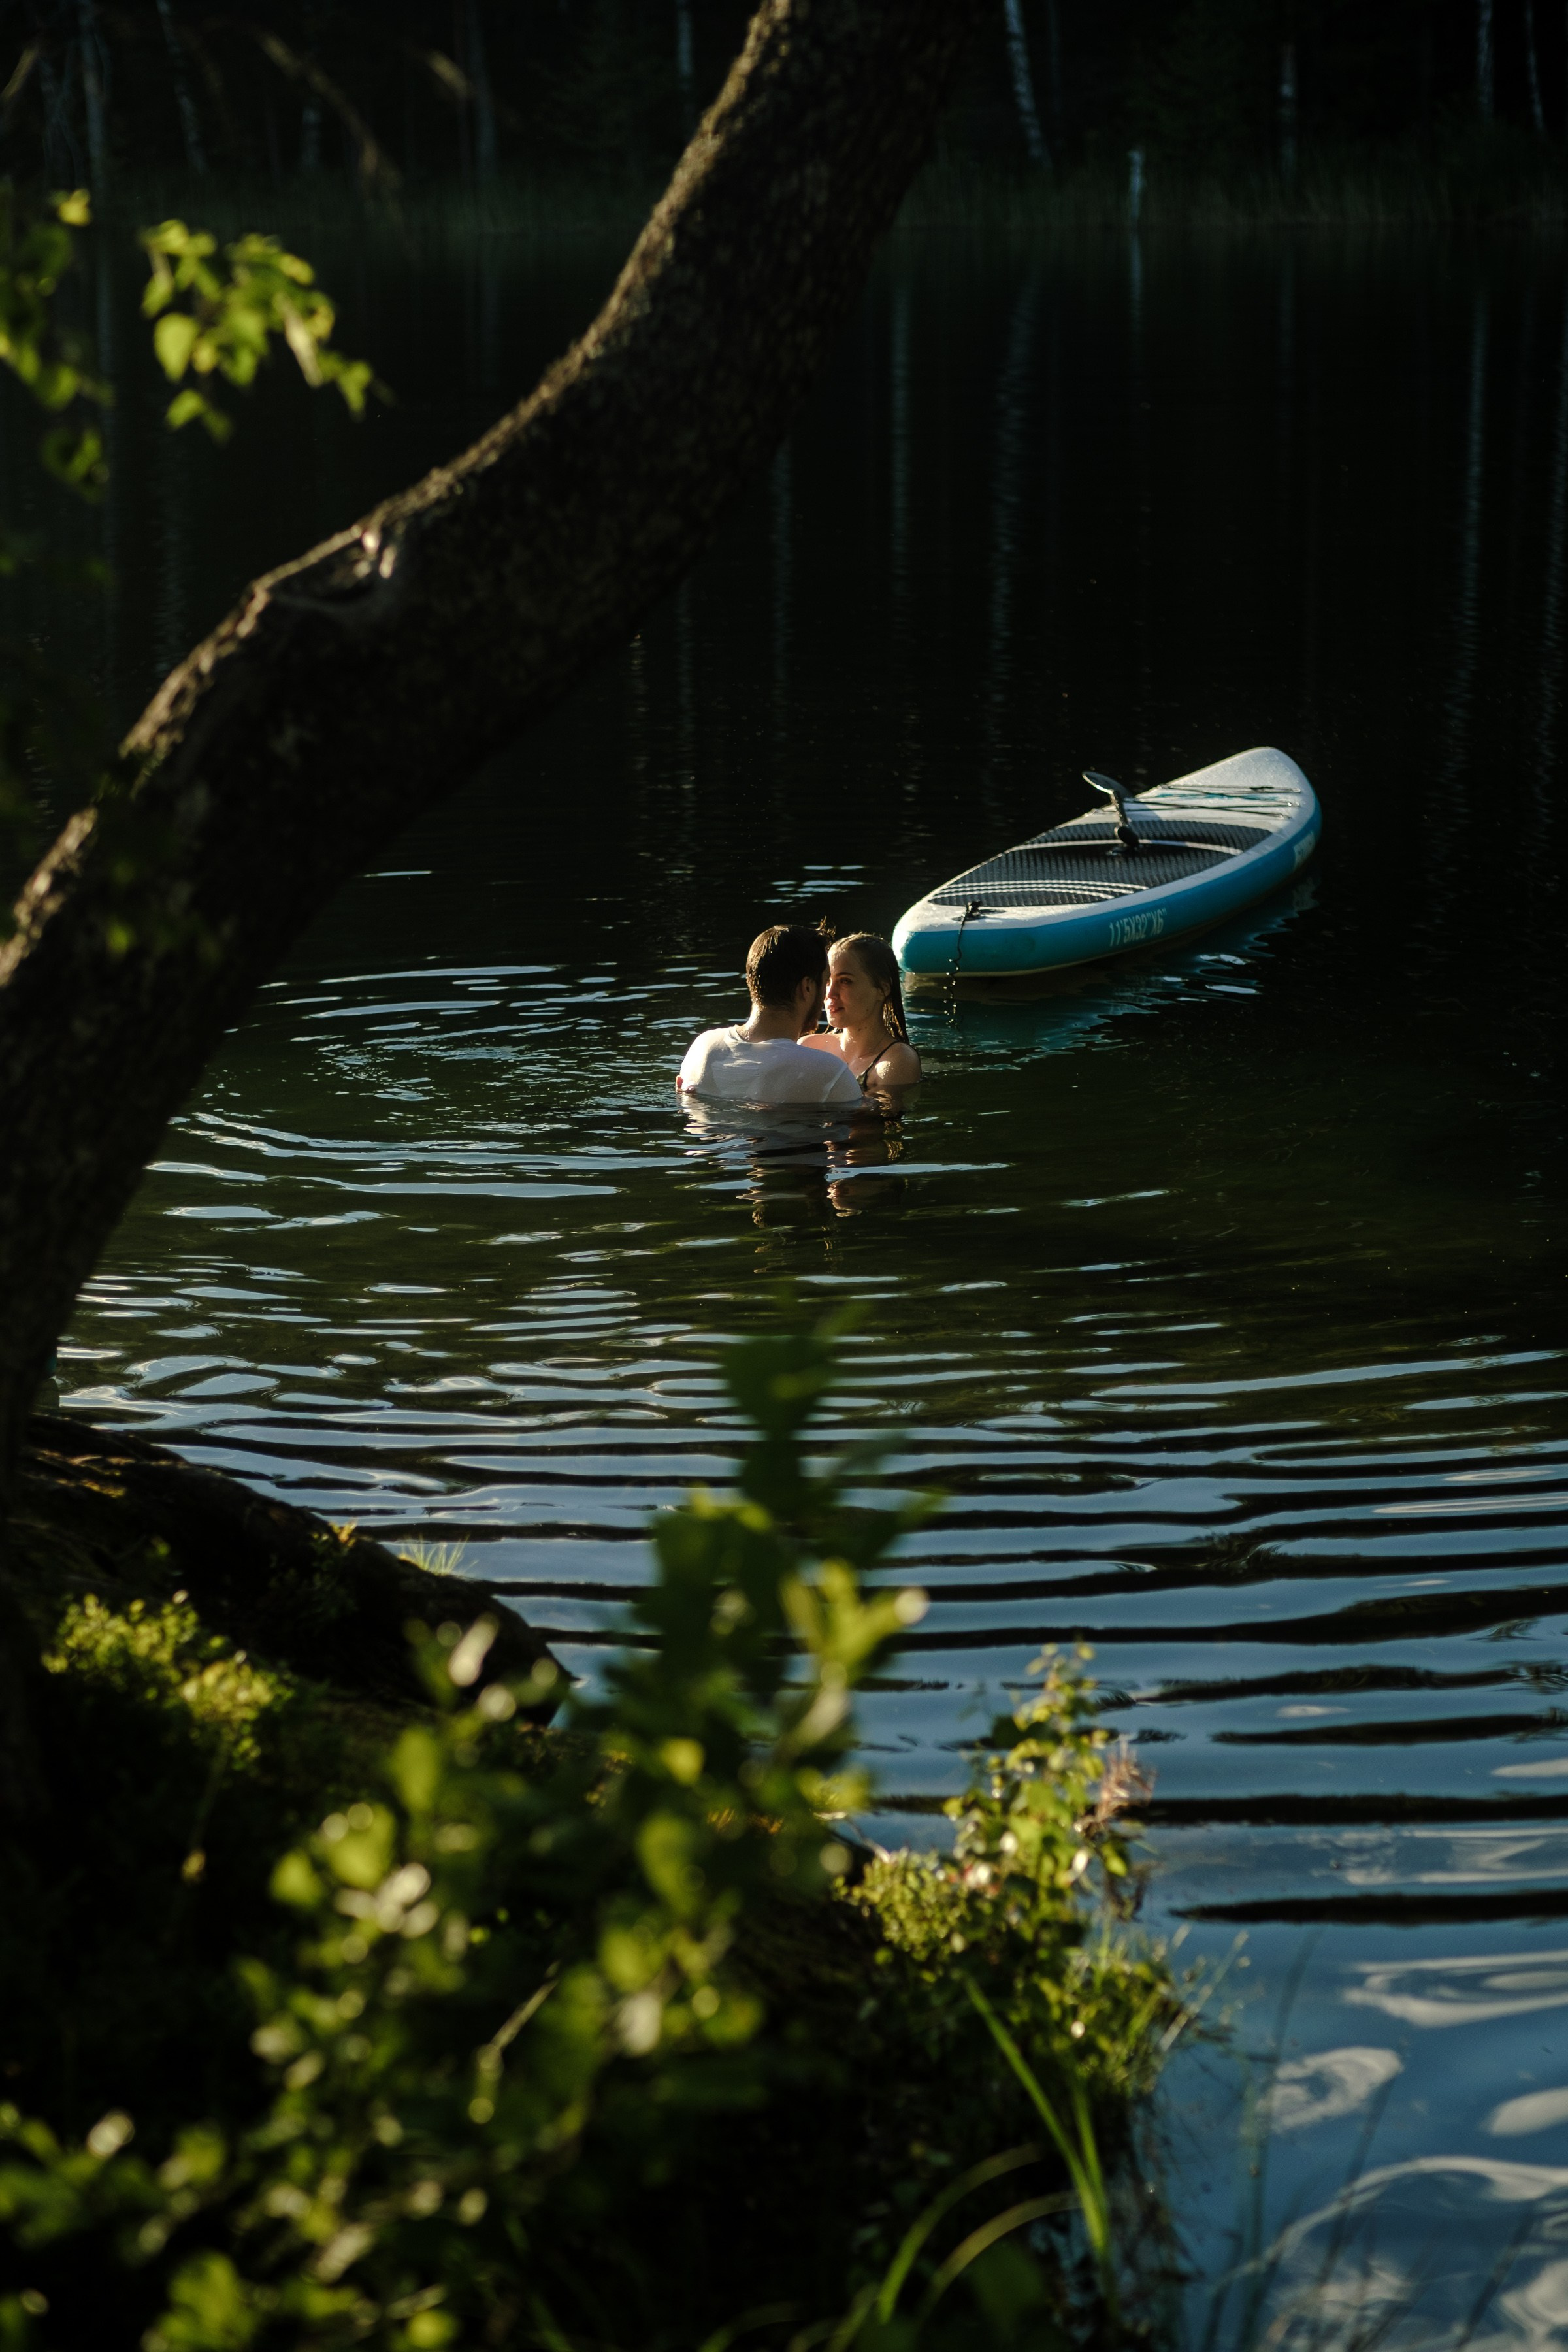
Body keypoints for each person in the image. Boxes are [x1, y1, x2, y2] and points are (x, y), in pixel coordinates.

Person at [678, 924, 862, 1105]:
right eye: (825, 982)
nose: (827, 994)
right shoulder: (828, 1072)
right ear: (807, 987)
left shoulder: (702, 1048)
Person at [801, 930, 922, 1094]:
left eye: (845, 981)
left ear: (883, 989)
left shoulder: (897, 1061)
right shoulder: (809, 1047)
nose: (830, 994)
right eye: (828, 981)